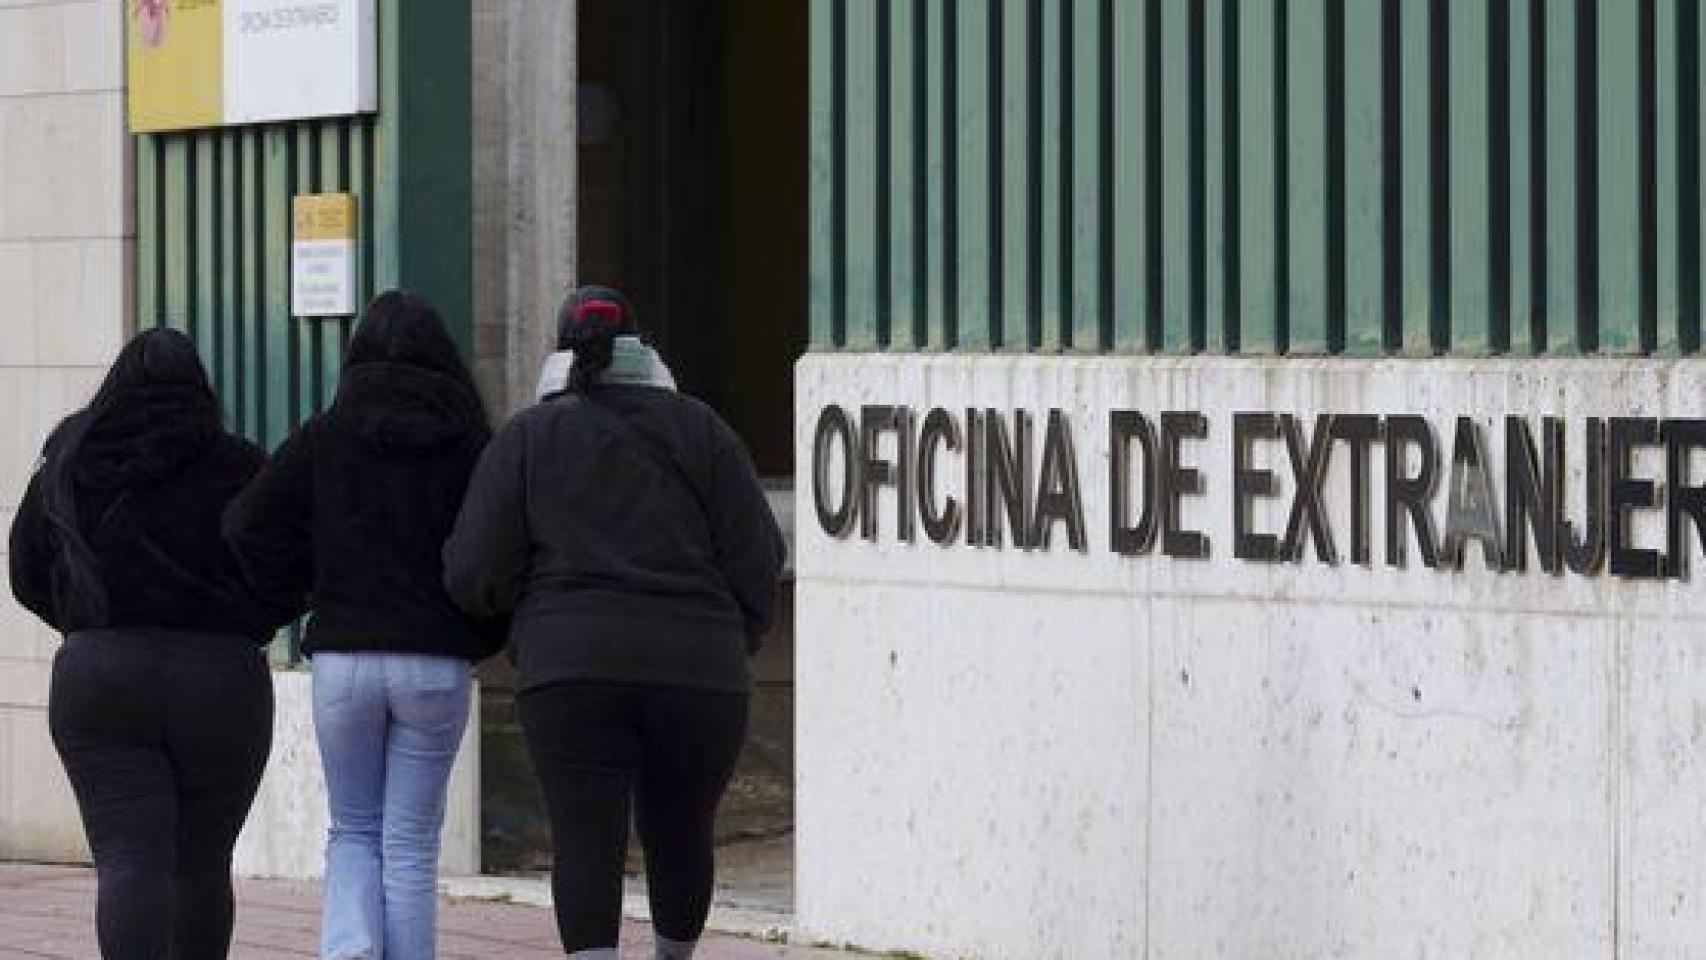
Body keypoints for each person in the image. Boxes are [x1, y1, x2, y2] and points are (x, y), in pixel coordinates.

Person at [442, 286, 786, 960]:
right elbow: (758, 556)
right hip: (700, 668)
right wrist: (732, 638)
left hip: (570, 670)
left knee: (585, 837)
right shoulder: (704, 430)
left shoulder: (527, 437)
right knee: (683, 830)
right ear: (642, 346)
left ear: (560, 351)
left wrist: (526, 624)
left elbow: (475, 570)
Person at [222, 290, 502, 960]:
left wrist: (302, 587)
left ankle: (348, 952)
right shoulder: (471, 444)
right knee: (410, 842)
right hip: (435, 662)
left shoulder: (327, 434)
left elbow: (246, 523)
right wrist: (482, 629)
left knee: (352, 829)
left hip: (344, 659)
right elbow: (497, 550)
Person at [8, 327, 289, 960]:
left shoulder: (72, 459)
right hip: (221, 678)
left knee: (129, 857)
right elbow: (287, 565)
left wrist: (84, 622)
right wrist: (250, 622)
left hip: (101, 674)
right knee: (203, 861)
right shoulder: (241, 465)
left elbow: (26, 568)